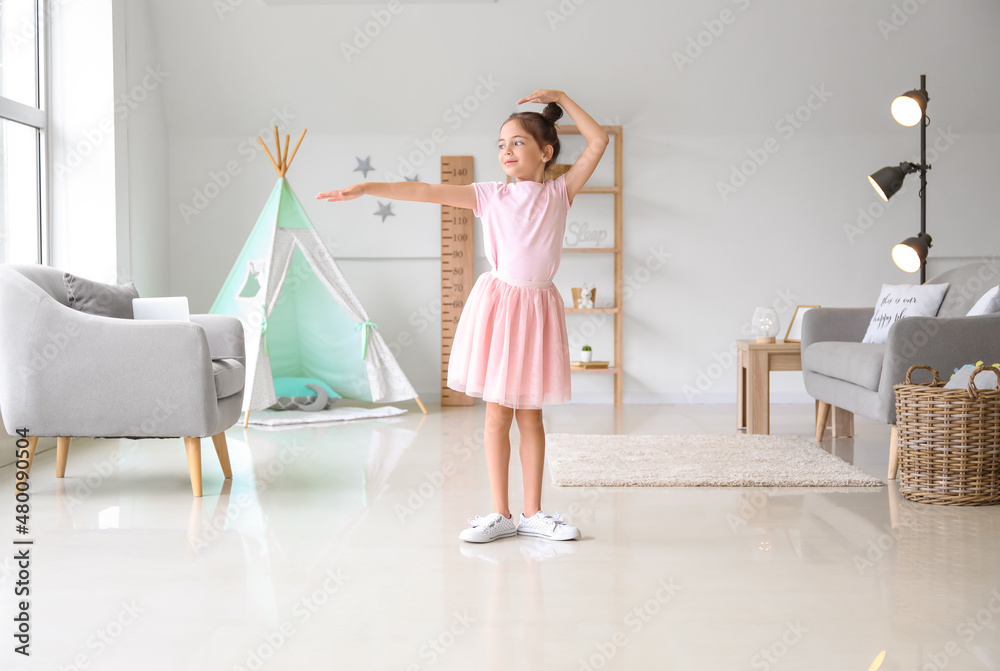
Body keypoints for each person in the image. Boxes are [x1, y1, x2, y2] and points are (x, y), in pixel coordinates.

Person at [317, 89, 609, 543]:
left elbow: (598, 142)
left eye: (517, 142)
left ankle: (533, 513)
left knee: (530, 415)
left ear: (545, 151)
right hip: (499, 306)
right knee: (496, 415)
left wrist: (564, 99)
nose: (505, 151)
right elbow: (424, 191)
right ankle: (501, 513)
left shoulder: (559, 192)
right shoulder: (488, 195)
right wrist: (368, 187)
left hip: (536, 308)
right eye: (500, 144)